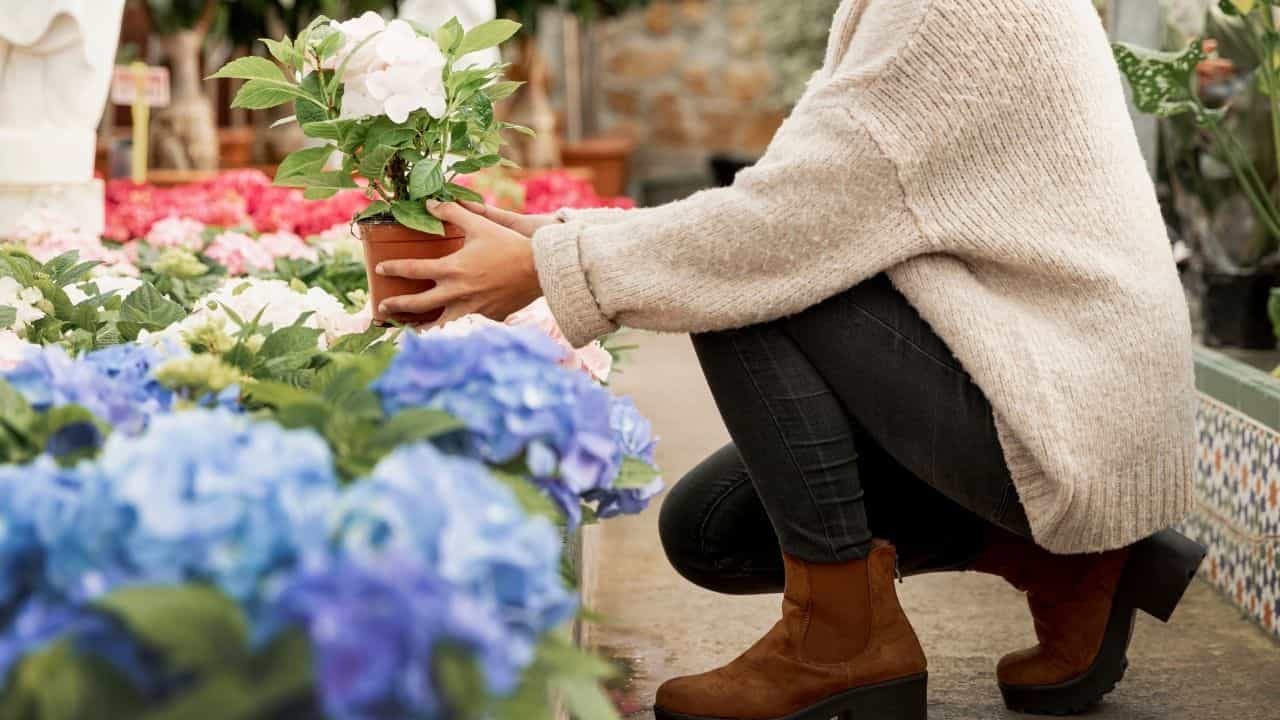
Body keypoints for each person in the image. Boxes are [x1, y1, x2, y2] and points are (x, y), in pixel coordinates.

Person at [375, 1, 1206, 719]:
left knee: (745, 282)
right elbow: (798, 193)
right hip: (1052, 379)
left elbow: (776, 231)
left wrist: (550, 268)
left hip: (1069, 409)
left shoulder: (948, 16)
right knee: (712, 531)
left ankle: (842, 639)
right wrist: (556, 241)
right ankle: (1067, 565)